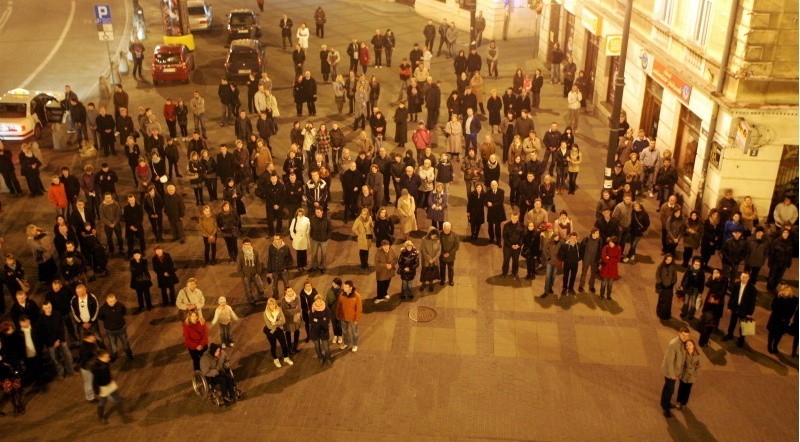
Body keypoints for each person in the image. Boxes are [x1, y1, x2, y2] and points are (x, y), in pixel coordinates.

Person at [37, 301, 75, 379]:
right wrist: (52, 342)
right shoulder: (41, 319)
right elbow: (43, 333)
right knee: (55, 359)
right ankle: (60, 373)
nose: (48, 309)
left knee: (68, 356)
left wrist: (58, 340)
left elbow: (61, 327)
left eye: (49, 307)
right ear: (43, 309)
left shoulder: (57, 314)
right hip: (50, 343)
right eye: (46, 308)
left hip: (60, 339)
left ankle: (71, 371)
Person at [91, 349, 131, 424]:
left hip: (110, 384)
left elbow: (112, 360)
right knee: (102, 403)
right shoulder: (96, 368)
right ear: (100, 358)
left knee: (118, 400)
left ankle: (124, 416)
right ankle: (101, 417)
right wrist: (97, 391)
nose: (108, 358)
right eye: (106, 357)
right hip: (103, 387)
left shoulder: (105, 363)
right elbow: (94, 382)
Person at [660, 326, 689, 418]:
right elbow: (670, 361)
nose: (685, 337)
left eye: (687, 336)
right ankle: (665, 408)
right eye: (683, 335)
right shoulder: (673, 344)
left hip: (675, 373)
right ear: (679, 333)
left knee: (668, 388)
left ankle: (665, 403)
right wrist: (672, 375)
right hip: (670, 373)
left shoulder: (683, 343)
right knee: (670, 390)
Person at [723, 271, 757, 347]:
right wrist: (729, 307)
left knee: (743, 326)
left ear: (748, 278)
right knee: (732, 323)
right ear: (740, 277)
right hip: (735, 308)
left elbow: (752, 302)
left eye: (745, 277)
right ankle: (729, 335)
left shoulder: (752, 289)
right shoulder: (736, 285)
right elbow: (732, 297)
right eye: (742, 277)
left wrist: (750, 313)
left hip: (745, 310)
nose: (743, 279)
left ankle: (741, 340)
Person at [96, 294, 134, 362]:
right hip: (110, 330)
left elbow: (124, 311)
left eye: (114, 301)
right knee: (113, 344)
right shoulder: (103, 309)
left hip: (121, 328)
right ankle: (114, 355)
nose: (112, 303)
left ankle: (129, 354)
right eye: (110, 301)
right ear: (107, 300)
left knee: (125, 343)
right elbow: (100, 317)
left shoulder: (120, 305)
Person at [766, 284, 798, 354]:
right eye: (783, 290)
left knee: (779, 334)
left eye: (786, 290)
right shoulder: (778, 296)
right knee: (772, 333)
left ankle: (775, 346)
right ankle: (769, 345)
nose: (785, 292)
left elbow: (792, 310)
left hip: (784, 320)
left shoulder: (794, 299)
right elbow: (773, 307)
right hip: (776, 318)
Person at [336, 280, 362, 352]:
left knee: (354, 332)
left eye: (346, 287)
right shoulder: (342, 294)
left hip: (352, 319)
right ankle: (346, 343)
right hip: (343, 317)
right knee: (344, 331)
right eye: (344, 286)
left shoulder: (357, 296)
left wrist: (357, 319)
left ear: (350, 288)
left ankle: (355, 344)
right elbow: (338, 305)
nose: (344, 288)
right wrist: (337, 314)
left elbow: (359, 309)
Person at [767, 228, 794, 293]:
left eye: (787, 233)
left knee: (779, 277)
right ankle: (769, 287)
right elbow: (772, 253)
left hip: (784, 263)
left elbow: (790, 254)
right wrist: (770, 262)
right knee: (772, 276)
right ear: (782, 233)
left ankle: (774, 288)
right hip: (775, 262)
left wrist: (789, 263)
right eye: (784, 232)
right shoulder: (776, 241)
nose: (785, 234)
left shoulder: (790, 242)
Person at [676, 339, 700, 410]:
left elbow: (699, 366)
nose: (688, 346)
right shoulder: (684, 354)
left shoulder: (697, 355)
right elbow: (681, 364)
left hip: (691, 376)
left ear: (693, 345)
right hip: (684, 375)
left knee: (687, 390)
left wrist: (695, 374)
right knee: (681, 389)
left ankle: (684, 403)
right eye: (687, 345)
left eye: (690, 344)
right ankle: (678, 401)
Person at [539, 224, 560, 298]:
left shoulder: (561, 243)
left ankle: (550, 288)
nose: (557, 238)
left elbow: (563, 252)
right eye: (555, 236)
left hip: (556, 262)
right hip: (549, 262)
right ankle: (546, 291)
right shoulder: (550, 242)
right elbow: (544, 249)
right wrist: (547, 257)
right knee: (548, 276)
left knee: (553, 276)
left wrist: (560, 258)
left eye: (558, 237)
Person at [655, 254, 678, 319]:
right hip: (662, 287)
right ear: (665, 259)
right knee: (661, 300)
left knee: (668, 302)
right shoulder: (661, 266)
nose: (668, 261)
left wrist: (672, 283)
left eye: (670, 260)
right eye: (667, 259)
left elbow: (675, 277)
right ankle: (659, 313)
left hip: (669, 288)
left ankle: (666, 315)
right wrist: (660, 282)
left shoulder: (673, 267)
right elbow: (657, 275)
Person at [486, 180, 506, 246]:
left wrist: (492, 204)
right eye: (492, 185)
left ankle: (498, 240)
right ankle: (491, 238)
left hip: (498, 212)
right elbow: (485, 201)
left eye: (495, 185)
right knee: (490, 226)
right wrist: (487, 203)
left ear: (497, 185)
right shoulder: (488, 192)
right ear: (490, 186)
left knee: (498, 227)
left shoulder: (501, 191)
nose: (493, 186)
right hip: (491, 212)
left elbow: (500, 202)